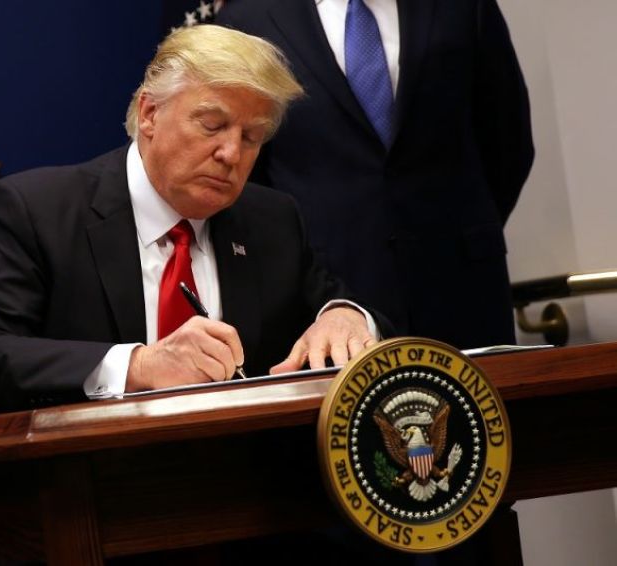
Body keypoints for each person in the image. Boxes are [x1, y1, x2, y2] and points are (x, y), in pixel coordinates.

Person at [0, 24, 394, 417]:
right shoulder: (39, 210)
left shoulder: (271, 220)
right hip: (93, 481)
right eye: (212, 126)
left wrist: (346, 317)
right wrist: (137, 367)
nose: (231, 153)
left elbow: (344, 311)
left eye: (251, 137)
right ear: (150, 113)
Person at [216, 0, 534, 349]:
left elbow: (507, 140)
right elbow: (251, 176)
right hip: (327, 301)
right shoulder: (250, 18)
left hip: (462, 288)